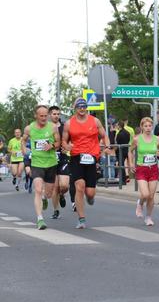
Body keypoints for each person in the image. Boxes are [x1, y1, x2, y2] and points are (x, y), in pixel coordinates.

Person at [62, 98, 112, 229]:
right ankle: (81, 218)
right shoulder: (69, 123)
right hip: (76, 157)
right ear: (75, 108)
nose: (82, 108)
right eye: (79, 106)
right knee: (80, 186)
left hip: (91, 157)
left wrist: (107, 146)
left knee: (90, 192)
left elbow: (104, 135)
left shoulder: (95, 121)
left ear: (86, 107)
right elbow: (64, 141)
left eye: (84, 106)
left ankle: (90, 198)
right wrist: (66, 146)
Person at [22, 105, 60, 229]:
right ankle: (40, 219)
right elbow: (23, 140)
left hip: (51, 163)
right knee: (38, 189)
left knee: (48, 193)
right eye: (41, 116)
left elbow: (58, 143)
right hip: (37, 163)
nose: (44, 118)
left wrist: (52, 146)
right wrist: (24, 149)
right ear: (36, 116)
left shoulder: (53, 127)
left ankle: (45, 198)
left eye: (45, 116)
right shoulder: (29, 128)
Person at [129, 117, 159, 226]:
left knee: (151, 196)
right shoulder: (137, 139)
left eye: (150, 126)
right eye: (146, 126)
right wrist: (131, 163)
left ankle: (148, 217)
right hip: (141, 168)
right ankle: (140, 204)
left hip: (153, 169)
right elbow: (130, 151)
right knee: (145, 194)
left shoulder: (157, 139)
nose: (148, 128)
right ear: (142, 127)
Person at [48, 106, 69, 219]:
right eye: (54, 114)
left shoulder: (65, 127)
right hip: (50, 159)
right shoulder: (46, 128)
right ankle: (56, 211)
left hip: (63, 158)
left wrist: (68, 147)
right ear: (50, 115)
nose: (56, 116)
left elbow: (71, 141)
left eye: (58, 114)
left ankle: (62, 195)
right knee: (55, 187)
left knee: (64, 185)